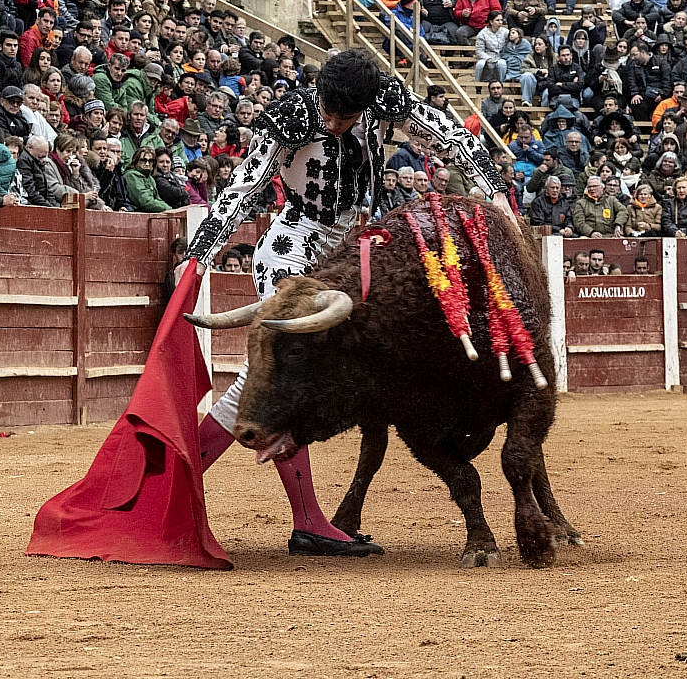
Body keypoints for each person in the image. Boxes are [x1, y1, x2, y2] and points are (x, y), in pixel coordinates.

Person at [175, 49, 511, 558]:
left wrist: (499, 204)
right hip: (292, 248)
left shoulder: (387, 101)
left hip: (350, 256)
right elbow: (243, 187)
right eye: (329, 112)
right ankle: (196, 492)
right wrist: (200, 255)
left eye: (346, 116)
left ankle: (297, 517)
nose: (332, 123)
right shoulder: (293, 112)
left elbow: (458, 142)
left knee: (311, 379)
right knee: (272, 377)